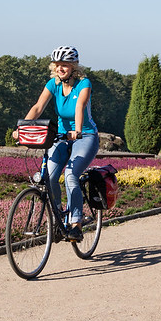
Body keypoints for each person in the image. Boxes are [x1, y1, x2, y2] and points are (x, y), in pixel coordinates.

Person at [13, 46, 99, 242]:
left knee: (70, 175)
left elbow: (80, 106)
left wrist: (77, 130)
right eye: (58, 65)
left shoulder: (84, 83)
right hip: (60, 136)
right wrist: (22, 128)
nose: (61, 68)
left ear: (73, 67)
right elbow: (38, 107)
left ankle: (76, 223)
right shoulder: (53, 84)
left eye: (65, 65)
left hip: (84, 136)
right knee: (49, 176)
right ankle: (59, 215)